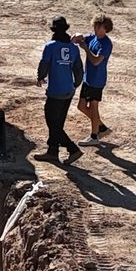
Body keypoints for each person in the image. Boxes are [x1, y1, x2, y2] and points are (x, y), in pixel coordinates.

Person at [34, 16, 85, 165]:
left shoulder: (50, 46)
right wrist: (75, 84)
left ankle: (73, 149)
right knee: (58, 123)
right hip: (68, 91)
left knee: (53, 124)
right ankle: (52, 152)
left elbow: (44, 64)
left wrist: (40, 77)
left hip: (55, 91)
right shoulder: (73, 48)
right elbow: (78, 69)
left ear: (53, 30)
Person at [73, 14, 114, 146]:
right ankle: (101, 127)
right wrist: (76, 36)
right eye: (95, 25)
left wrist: (85, 48)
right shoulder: (93, 37)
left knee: (94, 107)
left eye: (98, 25)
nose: (95, 27)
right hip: (88, 78)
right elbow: (79, 37)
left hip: (97, 80)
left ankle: (94, 136)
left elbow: (96, 61)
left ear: (104, 28)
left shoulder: (106, 44)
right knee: (81, 106)